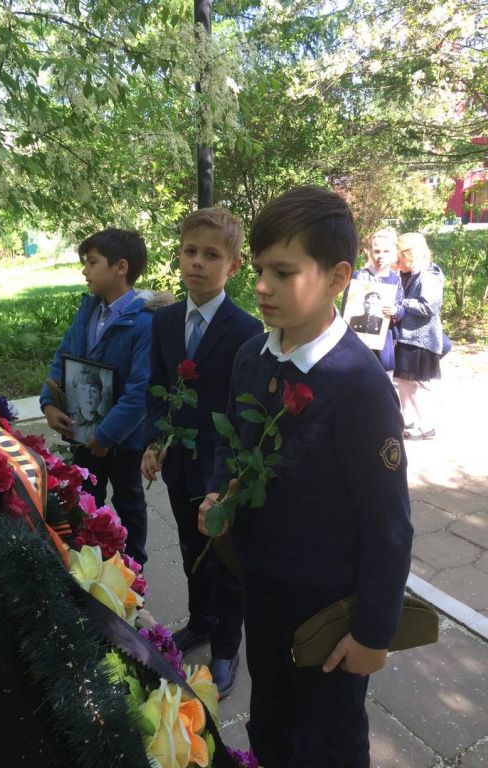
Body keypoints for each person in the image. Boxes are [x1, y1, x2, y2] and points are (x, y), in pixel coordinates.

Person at [199, 186, 413, 767]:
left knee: (328, 738)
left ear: (338, 277)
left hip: (328, 607)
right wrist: (219, 494)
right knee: (270, 718)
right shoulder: (251, 357)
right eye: (259, 270)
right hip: (262, 583)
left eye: (283, 272)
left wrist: (374, 634)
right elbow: (231, 442)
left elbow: (389, 524)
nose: (261, 287)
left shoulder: (358, 385)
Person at [141, 207, 263, 698]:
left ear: (233, 266)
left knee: (225, 556)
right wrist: (155, 440)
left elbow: (246, 412)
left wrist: (231, 479)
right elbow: (158, 386)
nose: (197, 262)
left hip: (223, 468)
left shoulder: (247, 330)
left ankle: (227, 647)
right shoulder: (166, 321)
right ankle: (200, 621)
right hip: (180, 463)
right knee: (192, 548)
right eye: (190, 251)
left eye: (211, 255)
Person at [40, 228, 171, 567]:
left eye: (92, 262)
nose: (85, 271)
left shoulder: (145, 321)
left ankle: (133, 570)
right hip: (84, 432)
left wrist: (106, 435)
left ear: (120, 267)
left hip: (124, 440)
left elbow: (141, 389)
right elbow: (62, 358)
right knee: (84, 499)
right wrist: (49, 403)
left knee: (128, 501)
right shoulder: (88, 311)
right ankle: (88, 564)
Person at [394, 232, 445, 440]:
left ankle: (427, 426)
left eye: (398, 256)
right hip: (409, 338)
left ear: (409, 254)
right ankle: (407, 420)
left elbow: (428, 307)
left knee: (417, 384)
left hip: (421, 340)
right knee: (404, 381)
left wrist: (401, 303)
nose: (396, 260)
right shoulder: (410, 273)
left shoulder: (429, 275)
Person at [345, 228, 405, 375]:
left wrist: (395, 310)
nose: (381, 256)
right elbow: (346, 308)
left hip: (384, 340)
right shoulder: (359, 276)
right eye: (377, 251)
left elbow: (401, 309)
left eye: (386, 251)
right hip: (359, 341)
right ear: (370, 252)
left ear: (393, 253)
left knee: (384, 380)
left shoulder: (395, 279)